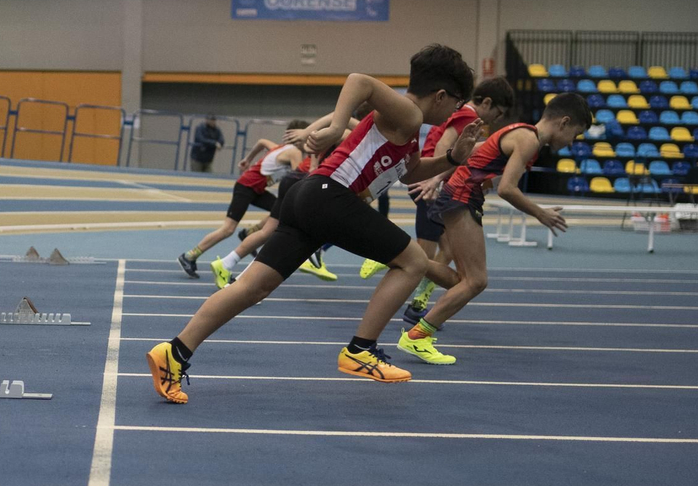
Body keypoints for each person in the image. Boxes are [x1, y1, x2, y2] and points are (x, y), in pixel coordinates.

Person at [147, 44, 478, 402]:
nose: (454, 113)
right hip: (329, 196)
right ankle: (360, 350)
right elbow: (360, 81)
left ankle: (174, 352)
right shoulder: (410, 114)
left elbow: (411, 172)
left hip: (309, 197)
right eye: (457, 104)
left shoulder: (409, 129)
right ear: (440, 95)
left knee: (253, 288)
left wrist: (452, 158)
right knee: (412, 260)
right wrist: (336, 127)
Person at [395, 92, 589, 365]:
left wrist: (438, 178)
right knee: (476, 281)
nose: (572, 142)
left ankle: (397, 255)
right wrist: (540, 213)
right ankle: (417, 336)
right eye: (575, 134)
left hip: (459, 194)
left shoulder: (519, 132)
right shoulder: (528, 139)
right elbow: (508, 189)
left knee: (462, 281)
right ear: (564, 122)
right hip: (462, 196)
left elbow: (474, 151)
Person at [358, 76, 517, 320]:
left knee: (449, 249)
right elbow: (444, 146)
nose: (497, 119)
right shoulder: (468, 115)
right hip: (430, 184)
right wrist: (436, 180)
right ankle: (389, 257)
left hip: (432, 182)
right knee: (421, 255)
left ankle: (418, 302)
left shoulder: (464, 116)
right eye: (499, 113)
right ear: (486, 102)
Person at [210, 119, 340, 287]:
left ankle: (227, 264)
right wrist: (312, 152)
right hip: (300, 183)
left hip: (293, 181)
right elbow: (314, 161)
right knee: (286, 235)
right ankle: (314, 253)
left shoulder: (327, 140)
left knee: (269, 233)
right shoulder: (340, 135)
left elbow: (264, 142)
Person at [176, 133, 289, 278]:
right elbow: (262, 141)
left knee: (280, 209)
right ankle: (189, 256)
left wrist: (247, 159)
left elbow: (261, 141)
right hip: (246, 187)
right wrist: (248, 159)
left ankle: (249, 233)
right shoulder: (288, 153)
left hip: (257, 189)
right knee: (228, 229)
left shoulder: (280, 149)